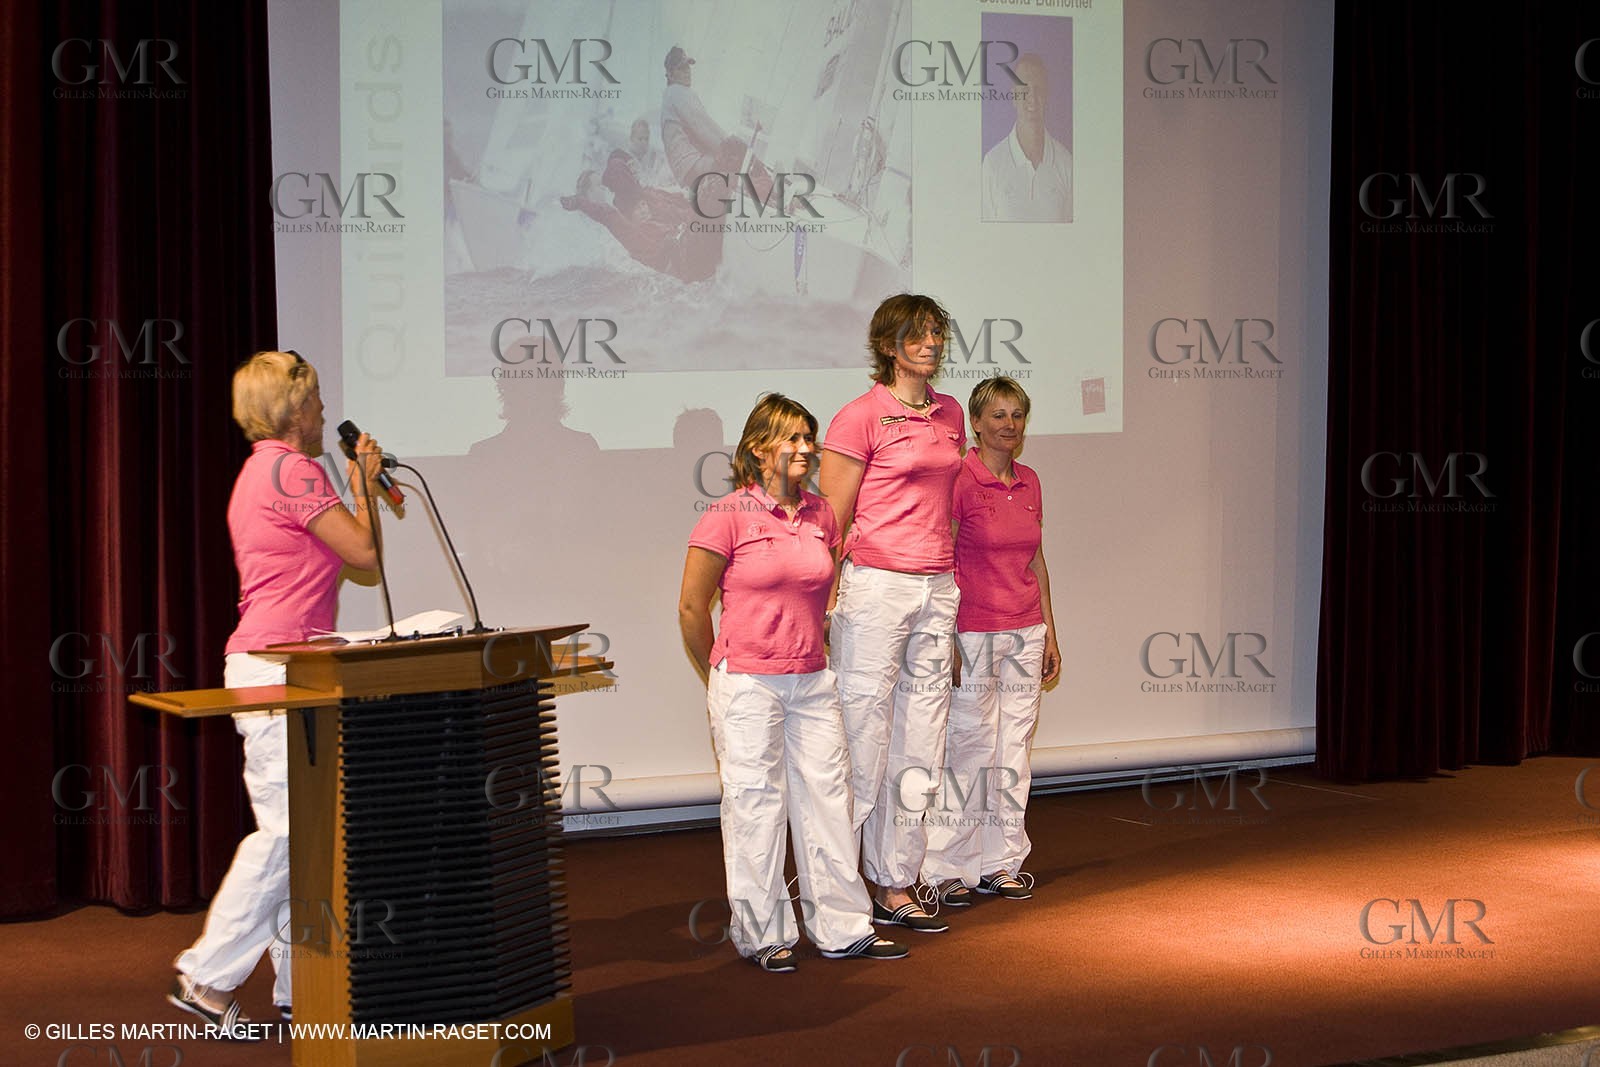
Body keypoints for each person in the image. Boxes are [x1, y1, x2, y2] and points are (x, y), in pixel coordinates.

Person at [167, 350, 385, 1034]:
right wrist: (365, 483)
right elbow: (366, 555)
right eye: (316, 401)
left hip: (293, 662)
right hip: (277, 666)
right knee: (291, 831)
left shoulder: (259, 471)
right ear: (295, 411)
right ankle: (205, 974)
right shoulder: (292, 469)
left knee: (307, 833)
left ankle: (301, 986)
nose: (324, 412)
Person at [679, 394, 908, 971]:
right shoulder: (726, 513)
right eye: (793, 439)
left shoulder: (822, 513)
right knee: (756, 806)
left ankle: (843, 927)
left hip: (811, 681)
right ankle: (764, 934)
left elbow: (823, 584)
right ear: (759, 450)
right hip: (748, 684)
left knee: (830, 801)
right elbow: (690, 608)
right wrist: (723, 674)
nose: (808, 448)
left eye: (810, 436)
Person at [819, 294, 966, 933]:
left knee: (922, 738)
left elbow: (951, 509)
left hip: (938, 587)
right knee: (862, 735)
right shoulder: (860, 417)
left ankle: (894, 878)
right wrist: (820, 601)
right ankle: (835, 885)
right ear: (888, 345)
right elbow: (831, 519)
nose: (930, 344)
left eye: (937, 334)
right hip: (875, 586)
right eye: (917, 335)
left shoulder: (951, 413)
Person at [923, 375, 1061, 904]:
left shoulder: (1030, 480)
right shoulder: (959, 478)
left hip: (1025, 629)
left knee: (1013, 749)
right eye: (998, 415)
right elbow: (944, 557)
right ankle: (949, 867)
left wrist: (1050, 630)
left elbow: (1037, 559)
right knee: (969, 748)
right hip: (973, 631)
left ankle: (1002, 862)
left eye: (1017, 415)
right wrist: (947, 636)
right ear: (975, 424)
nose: (1009, 425)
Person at [659, 45, 772, 217]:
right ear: (671, 74)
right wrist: (735, 148)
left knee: (734, 167)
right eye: (681, 68)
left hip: (686, 169)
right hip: (693, 164)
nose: (687, 71)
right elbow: (705, 129)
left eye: (688, 66)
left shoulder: (669, 96)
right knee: (739, 168)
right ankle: (775, 196)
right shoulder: (678, 92)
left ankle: (762, 197)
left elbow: (700, 130)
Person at [981, 52, 1073, 222]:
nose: (1032, 97)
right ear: (1014, 96)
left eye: (1038, 90)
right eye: (1024, 89)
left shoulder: (1066, 164)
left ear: (1046, 97)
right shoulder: (992, 164)